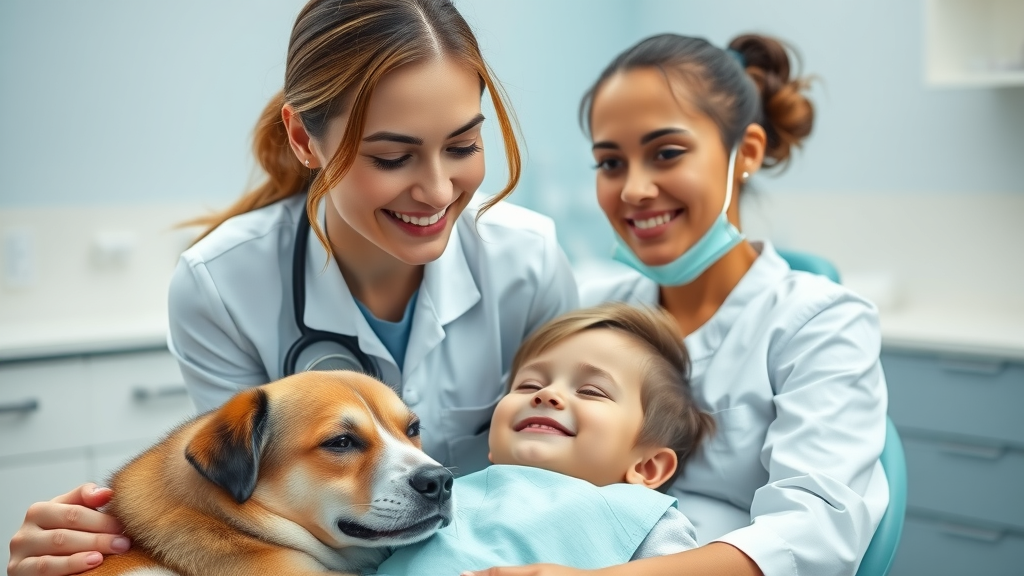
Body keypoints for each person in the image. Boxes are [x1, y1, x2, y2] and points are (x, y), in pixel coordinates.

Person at [5, 2, 577, 575]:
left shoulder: (526, 261)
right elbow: (245, 516)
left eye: (462, 147)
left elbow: (586, 472)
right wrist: (88, 544)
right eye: (392, 156)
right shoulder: (222, 285)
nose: (436, 189)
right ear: (304, 138)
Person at [460, 34, 889, 576]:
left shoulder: (821, 322)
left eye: (666, 153)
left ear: (746, 154)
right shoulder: (594, 311)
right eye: (611, 162)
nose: (635, 189)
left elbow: (817, 530)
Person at [373, 303, 716, 574]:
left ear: (648, 466)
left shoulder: (644, 518)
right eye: (529, 385)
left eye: (591, 391)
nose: (547, 394)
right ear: (492, 445)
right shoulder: (439, 494)